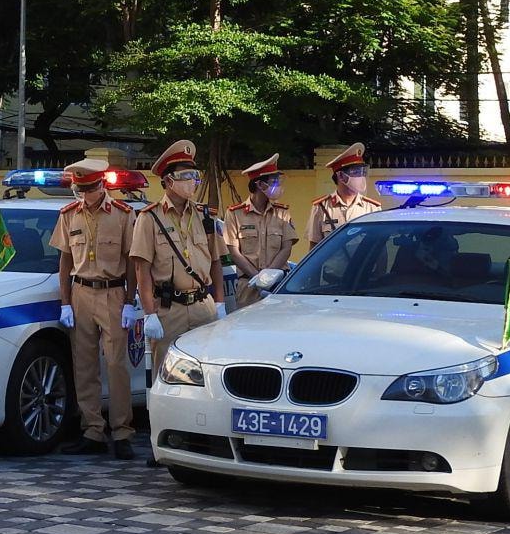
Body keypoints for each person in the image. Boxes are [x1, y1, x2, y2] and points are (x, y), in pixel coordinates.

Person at [51, 158, 139, 459]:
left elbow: (131, 261)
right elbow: (64, 261)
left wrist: (130, 301)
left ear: (102, 184)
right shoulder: (68, 215)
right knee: (84, 365)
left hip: (113, 292)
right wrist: (65, 302)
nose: (84, 195)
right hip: (80, 293)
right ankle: (92, 430)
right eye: (80, 188)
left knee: (115, 365)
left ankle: (123, 431)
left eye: (89, 188)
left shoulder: (123, 214)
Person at [131, 139, 227, 367]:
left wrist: (220, 303)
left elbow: (216, 262)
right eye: (186, 177)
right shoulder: (150, 217)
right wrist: (149, 313)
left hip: (203, 306)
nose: (192, 182)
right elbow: (141, 269)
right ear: (168, 181)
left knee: (206, 373)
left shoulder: (205, 215)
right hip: (168, 309)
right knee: (166, 373)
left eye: (194, 176)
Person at [225, 154, 298, 307]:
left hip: (278, 284)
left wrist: (268, 277)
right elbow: (234, 252)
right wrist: (257, 277)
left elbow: (286, 247)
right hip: (248, 286)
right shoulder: (234, 214)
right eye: (274, 181)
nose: (277, 185)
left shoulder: (282, 212)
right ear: (260, 185)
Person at [306, 142, 379, 246]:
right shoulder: (321, 207)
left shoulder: (372, 208)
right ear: (340, 176)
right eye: (355, 172)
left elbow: (378, 246)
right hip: (331, 263)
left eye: (362, 172)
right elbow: (314, 246)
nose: (361, 177)